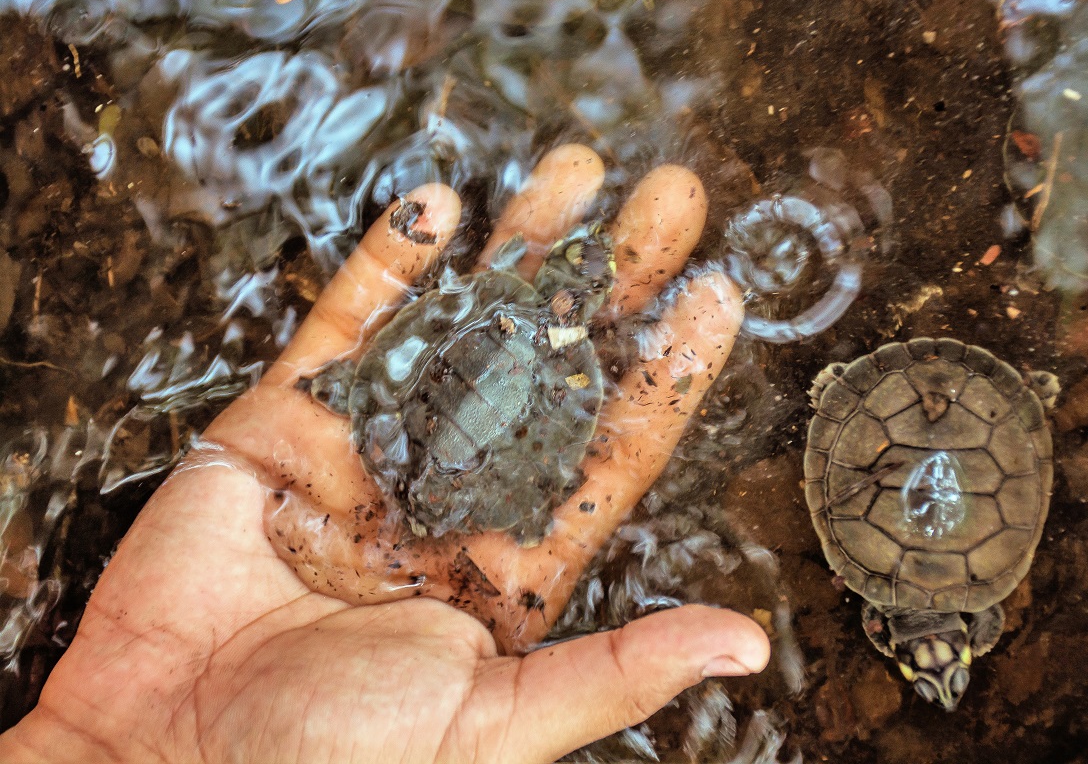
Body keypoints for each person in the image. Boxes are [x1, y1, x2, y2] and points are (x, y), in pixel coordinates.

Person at [0, 145, 770, 763]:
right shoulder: (578, 378)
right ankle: (508, 512)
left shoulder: (504, 305)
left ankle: (369, 413)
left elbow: (434, 327)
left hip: (394, 443)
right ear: (592, 297)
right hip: (455, 490)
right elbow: (568, 439)